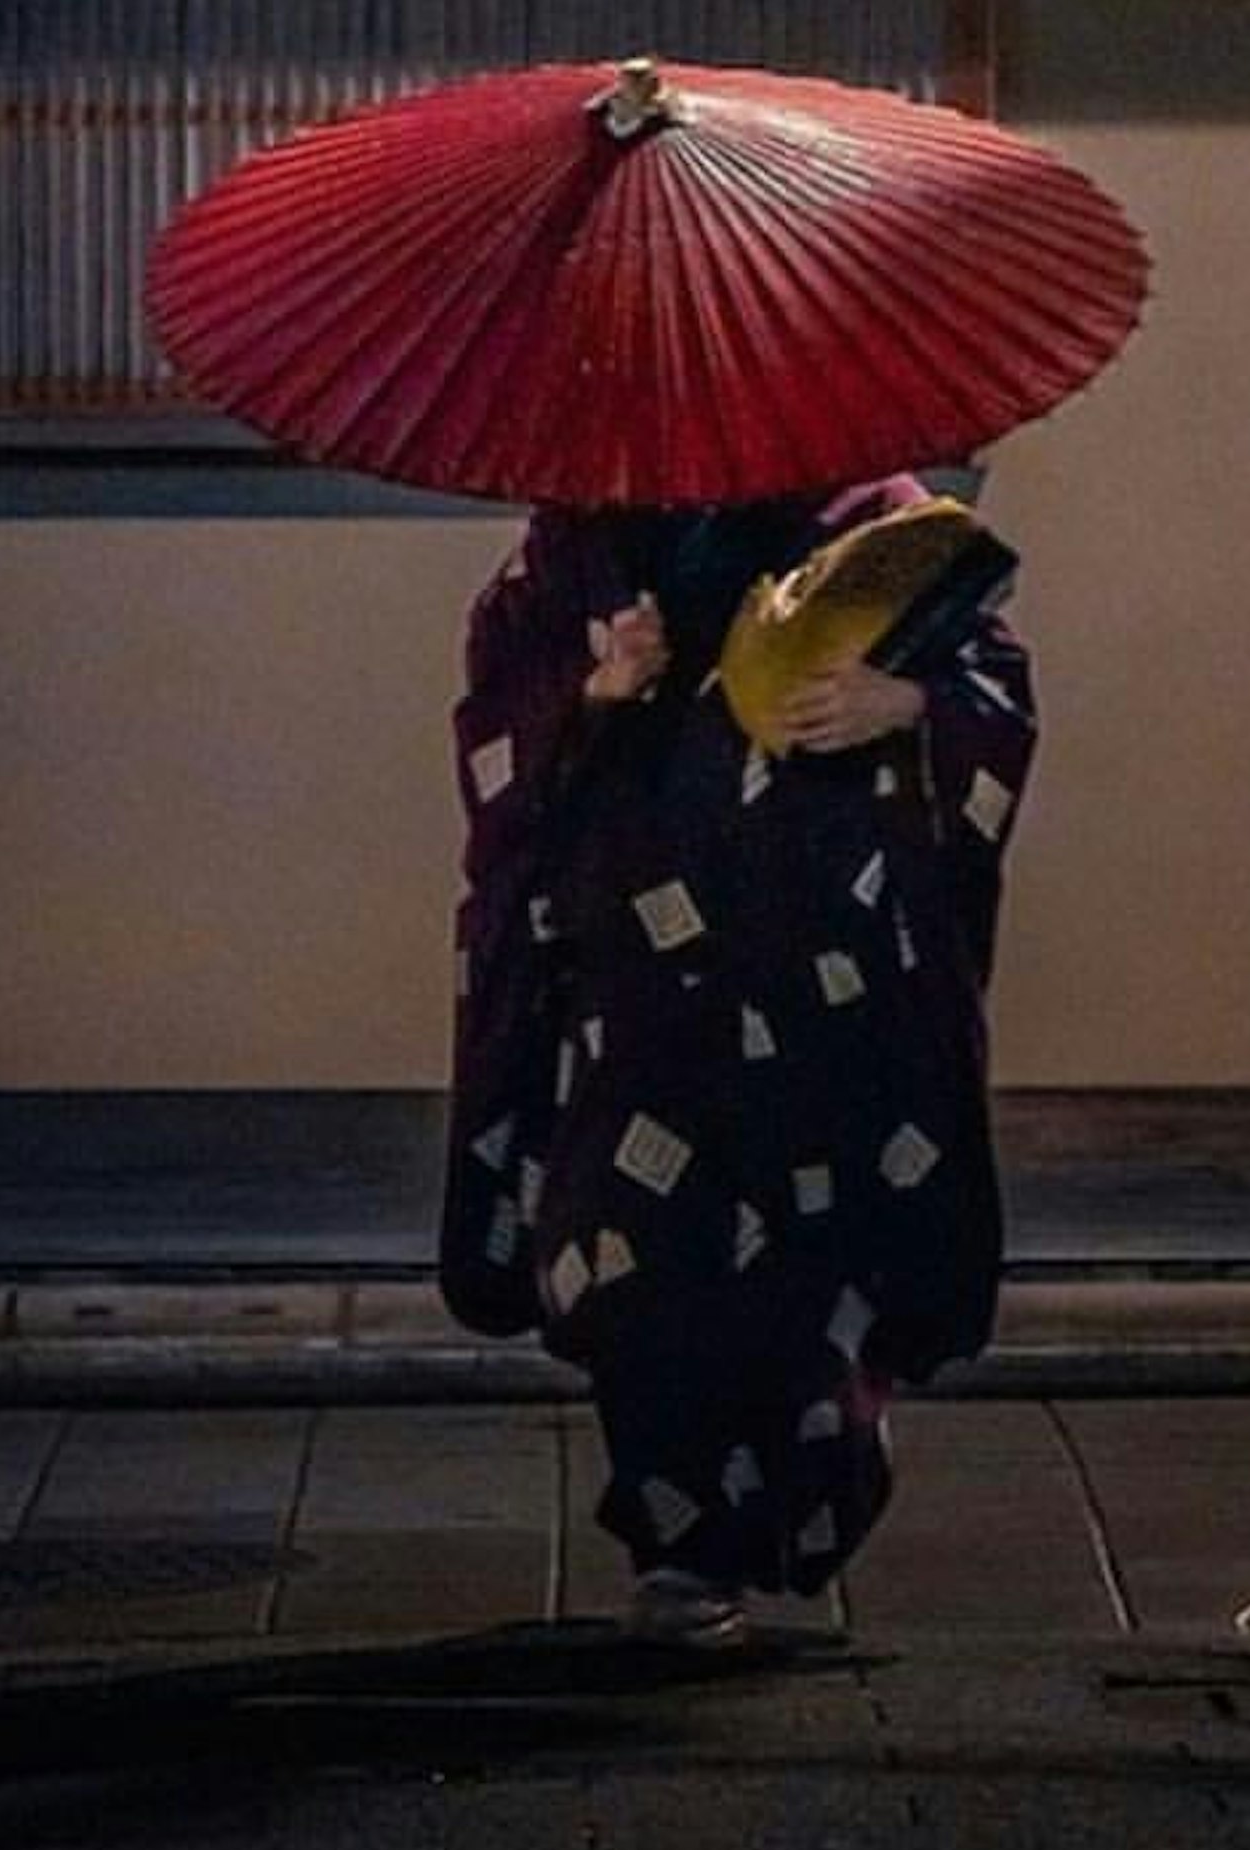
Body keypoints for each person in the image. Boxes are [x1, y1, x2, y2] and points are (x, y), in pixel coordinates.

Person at [437, 475, 1037, 1645]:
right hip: (636, 962)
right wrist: (593, 688)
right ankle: (680, 1544)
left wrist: (903, 702)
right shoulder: (573, 550)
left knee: (814, 1242)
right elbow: (499, 720)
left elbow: (994, 693)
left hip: (823, 947)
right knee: (628, 1239)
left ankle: (804, 1492)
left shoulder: (886, 520)